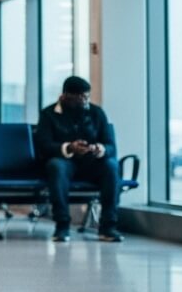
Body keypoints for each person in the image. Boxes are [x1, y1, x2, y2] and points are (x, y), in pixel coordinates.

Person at [36, 76, 123, 243]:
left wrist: (100, 149)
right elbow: (44, 145)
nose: (85, 100)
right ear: (66, 97)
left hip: (91, 162)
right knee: (56, 167)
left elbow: (111, 145)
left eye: (86, 96)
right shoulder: (48, 115)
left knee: (111, 166)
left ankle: (108, 226)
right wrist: (69, 147)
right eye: (80, 97)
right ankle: (62, 225)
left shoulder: (97, 113)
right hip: (65, 161)